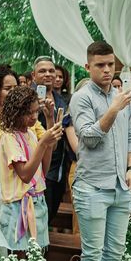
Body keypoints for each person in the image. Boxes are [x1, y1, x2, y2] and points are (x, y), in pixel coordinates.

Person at [70, 41, 131, 261]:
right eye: (100, 65)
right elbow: (89, 137)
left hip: (121, 187)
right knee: (93, 252)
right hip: (92, 187)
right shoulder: (82, 98)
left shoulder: (121, 96)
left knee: (115, 250)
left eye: (110, 64)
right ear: (88, 67)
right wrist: (112, 109)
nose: (107, 69)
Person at [0, 66, 49, 255]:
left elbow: (47, 142)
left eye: (16, 87)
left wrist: (47, 121)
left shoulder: (29, 123)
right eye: (7, 89)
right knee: (0, 242)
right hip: (3, 180)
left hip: (31, 181)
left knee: (26, 245)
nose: (13, 92)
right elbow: (9, 143)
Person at [0, 87, 63, 254]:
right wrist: (43, 143)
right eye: (28, 113)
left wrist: (49, 120)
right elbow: (25, 175)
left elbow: (43, 171)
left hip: (37, 201)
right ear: (15, 112)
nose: (34, 117)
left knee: (35, 257)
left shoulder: (31, 134)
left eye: (36, 111)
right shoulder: (9, 137)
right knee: (20, 256)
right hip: (18, 206)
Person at [31, 56, 78, 224]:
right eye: (42, 71)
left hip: (56, 167)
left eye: (51, 71)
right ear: (33, 75)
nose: (48, 74)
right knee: (35, 218)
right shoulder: (25, 97)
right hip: (32, 167)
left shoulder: (62, 101)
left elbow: (68, 130)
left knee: (49, 214)